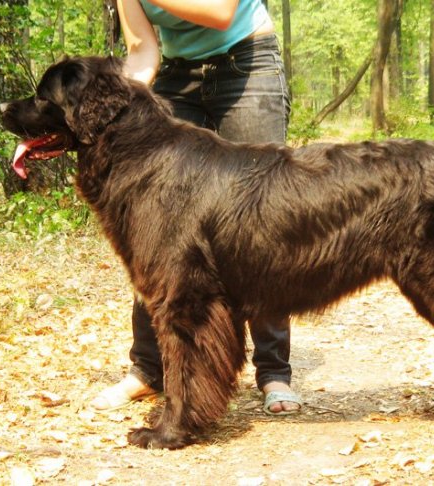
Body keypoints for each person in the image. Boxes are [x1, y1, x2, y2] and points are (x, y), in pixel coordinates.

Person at [90, 0, 301, 415]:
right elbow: (142, 53)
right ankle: (150, 369)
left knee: (259, 219)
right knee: (154, 228)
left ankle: (273, 370)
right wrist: (115, 106)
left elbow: (220, 12)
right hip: (177, 74)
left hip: (246, 63)